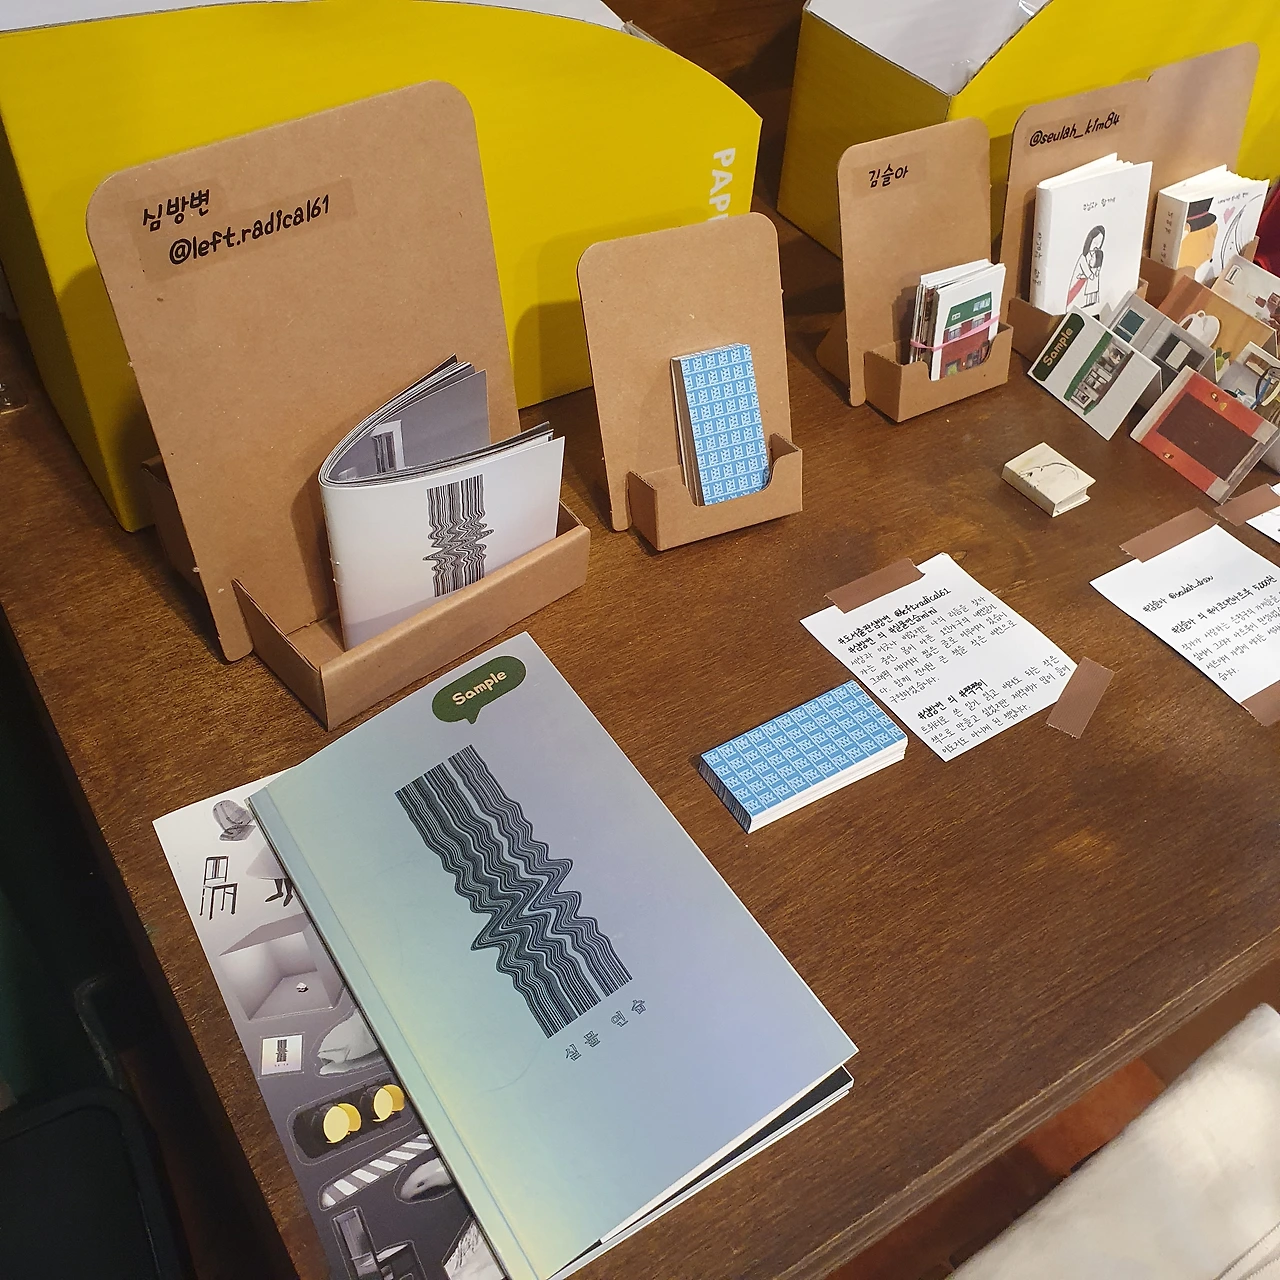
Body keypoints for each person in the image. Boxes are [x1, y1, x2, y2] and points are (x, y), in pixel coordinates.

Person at [1066, 224, 1105, 310]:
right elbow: (1088, 273)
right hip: (1078, 288)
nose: (1096, 246)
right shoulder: (1083, 257)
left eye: (1099, 243)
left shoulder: (1096, 256)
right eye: (1095, 242)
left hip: (1089, 288)